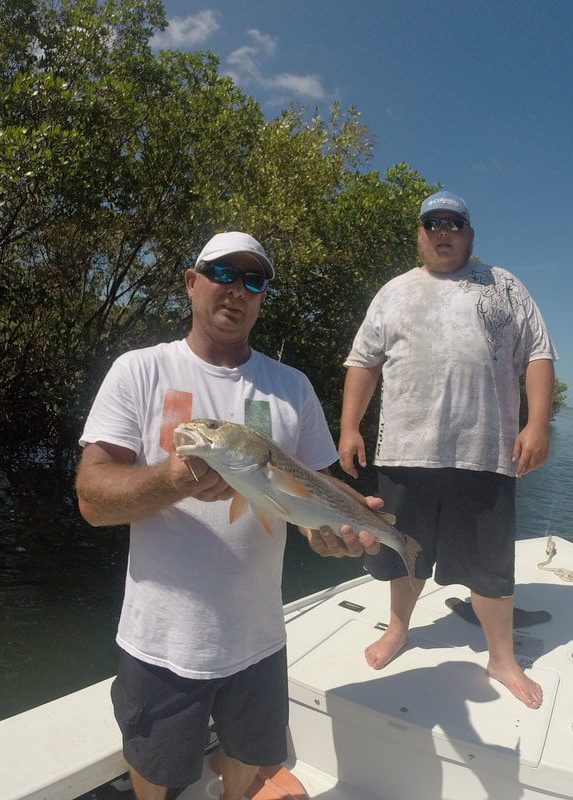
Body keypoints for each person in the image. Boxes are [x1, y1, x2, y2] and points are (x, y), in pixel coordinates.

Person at [75, 231, 380, 800]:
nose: (236, 291)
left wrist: (332, 532)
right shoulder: (138, 371)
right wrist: (169, 480)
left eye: (253, 280)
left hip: (259, 638)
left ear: (263, 298)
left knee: (247, 762)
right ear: (191, 283)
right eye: (221, 274)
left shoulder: (292, 388)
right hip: (161, 642)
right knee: (157, 777)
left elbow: (314, 491)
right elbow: (92, 500)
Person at [337, 190, 558, 710]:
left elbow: (539, 354)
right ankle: (398, 629)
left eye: (454, 223)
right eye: (432, 223)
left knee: (491, 564)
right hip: (405, 453)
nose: (443, 232)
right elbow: (363, 363)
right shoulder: (393, 292)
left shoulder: (503, 285)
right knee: (401, 554)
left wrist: (539, 422)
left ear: (470, 234)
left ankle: (501, 657)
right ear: (419, 234)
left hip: (485, 453)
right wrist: (349, 428)